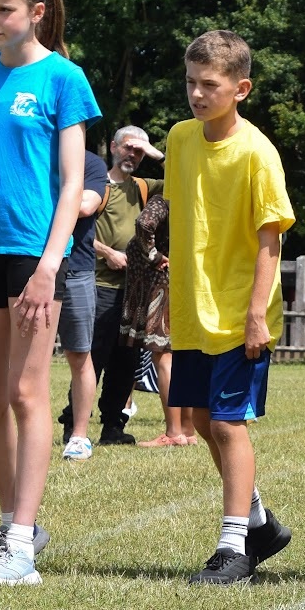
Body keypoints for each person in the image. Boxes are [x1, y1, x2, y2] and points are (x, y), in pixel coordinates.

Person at [0, 0, 100, 586]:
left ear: (36, 12)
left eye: (3, 9)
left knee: (25, 393)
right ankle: (16, 523)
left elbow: (72, 183)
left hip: (35, 255)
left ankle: (18, 548)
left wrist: (49, 265)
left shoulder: (64, 78)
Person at [166, 30, 294, 585]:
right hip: (193, 308)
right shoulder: (179, 138)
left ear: (241, 89)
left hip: (242, 311)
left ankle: (233, 546)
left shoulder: (257, 153)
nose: (197, 93)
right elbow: (185, 217)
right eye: (191, 82)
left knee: (226, 421)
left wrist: (257, 314)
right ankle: (260, 522)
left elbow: (271, 240)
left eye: (210, 85)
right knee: (199, 418)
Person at [74, 126, 162, 446]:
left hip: (134, 289)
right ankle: (74, 424)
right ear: (113, 147)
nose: (133, 155)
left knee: (127, 362)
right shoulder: (96, 185)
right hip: (98, 284)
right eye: (128, 147)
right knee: (92, 359)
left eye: (139, 151)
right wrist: (106, 252)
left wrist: (157, 155)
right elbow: (70, 226)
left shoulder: (144, 187)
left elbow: (189, 182)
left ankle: (113, 426)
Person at [120, 193, 192, 447]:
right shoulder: (193, 200)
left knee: (164, 357)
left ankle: (173, 433)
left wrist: (153, 255)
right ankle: (188, 430)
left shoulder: (165, 199)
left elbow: (144, 223)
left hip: (162, 287)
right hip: (185, 284)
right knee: (184, 357)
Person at [56, 148, 112, 461]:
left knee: (79, 354)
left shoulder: (90, 163)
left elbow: (86, 205)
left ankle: (79, 436)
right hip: (28, 263)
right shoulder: (32, 153)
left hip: (76, 268)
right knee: (23, 356)